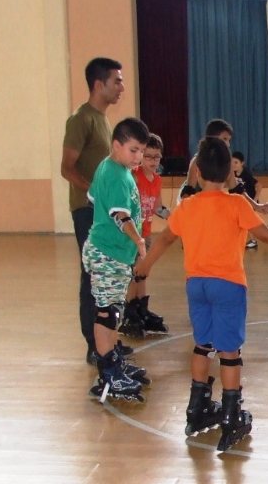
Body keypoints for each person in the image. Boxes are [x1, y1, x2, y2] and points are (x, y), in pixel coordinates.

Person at [133, 137, 268, 452]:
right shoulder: (237, 204)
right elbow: (266, 236)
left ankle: (196, 408)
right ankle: (231, 416)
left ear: (198, 172)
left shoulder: (187, 206)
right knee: (230, 351)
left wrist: (144, 266)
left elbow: (163, 241)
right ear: (230, 172)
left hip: (196, 284)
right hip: (228, 284)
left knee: (203, 344)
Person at [61, 57, 133, 365]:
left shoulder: (103, 119)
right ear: (98, 84)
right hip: (86, 211)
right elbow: (67, 168)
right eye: (116, 81)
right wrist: (94, 197)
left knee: (109, 276)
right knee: (93, 276)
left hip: (102, 214)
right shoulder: (81, 120)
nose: (121, 87)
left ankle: (108, 341)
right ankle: (95, 345)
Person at [83, 117, 151, 402]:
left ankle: (112, 360)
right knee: (107, 312)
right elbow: (119, 215)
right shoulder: (115, 174)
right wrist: (137, 240)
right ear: (117, 145)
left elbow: (91, 197)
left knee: (113, 310)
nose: (138, 158)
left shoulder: (111, 168)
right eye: (133, 150)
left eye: (141, 152)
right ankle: (108, 372)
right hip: (108, 253)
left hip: (112, 252)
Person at [119, 133, 171, 338]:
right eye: (148, 156)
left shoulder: (157, 179)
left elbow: (158, 207)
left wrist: (175, 218)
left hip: (146, 233)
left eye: (156, 157)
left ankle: (141, 309)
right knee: (134, 273)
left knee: (143, 272)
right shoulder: (135, 176)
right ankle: (130, 314)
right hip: (133, 235)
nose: (152, 161)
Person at [232, 151, 262, 249]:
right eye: (232, 162)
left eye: (236, 162)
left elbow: (259, 185)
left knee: (247, 221)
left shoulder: (246, 174)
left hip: (249, 201)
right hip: (239, 201)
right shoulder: (232, 174)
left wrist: (254, 201)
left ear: (242, 163)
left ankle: (253, 240)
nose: (233, 165)